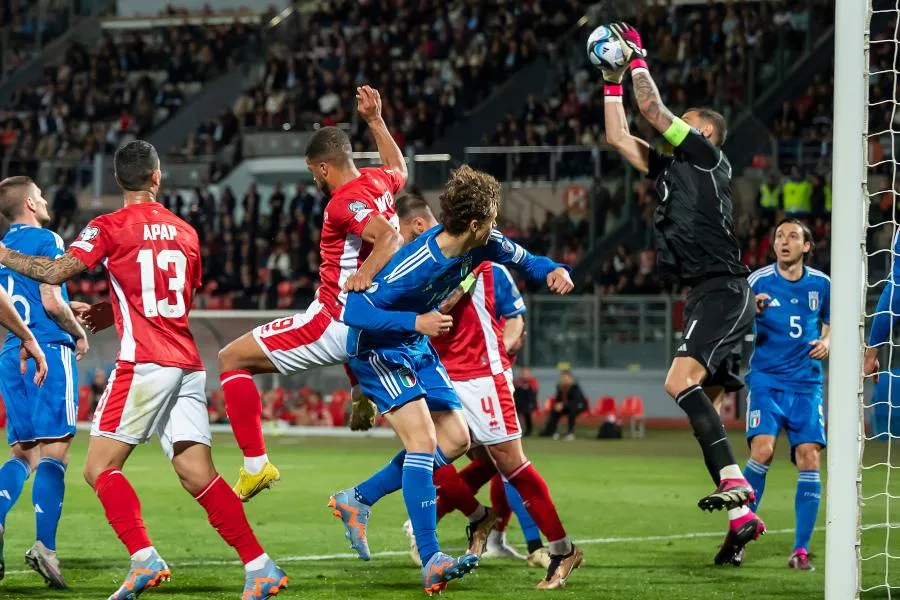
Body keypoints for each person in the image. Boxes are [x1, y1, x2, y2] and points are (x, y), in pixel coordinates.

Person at [0, 141, 287, 600]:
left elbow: (53, 273)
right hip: (187, 363)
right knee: (198, 474)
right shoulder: (187, 232)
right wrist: (108, 309)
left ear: (118, 181)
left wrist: (4, 255)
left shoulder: (109, 226)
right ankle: (261, 566)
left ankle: (143, 558)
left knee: (99, 469)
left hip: (145, 362)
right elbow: (162, 298)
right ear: (157, 177)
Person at [329, 165, 574, 593]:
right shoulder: (418, 262)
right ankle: (431, 558)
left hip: (416, 345)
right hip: (381, 348)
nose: (497, 227)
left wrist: (554, 268)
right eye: (493, 219)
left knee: (457, 440)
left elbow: (528, 259)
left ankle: (361, 498)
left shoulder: (483, 243)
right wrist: (416, 320)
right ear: (476, 223)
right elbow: (354, 313)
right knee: (424, 445)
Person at [602, 22, 764, 546]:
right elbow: (618, 136)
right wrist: (610, 79)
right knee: (704, 414)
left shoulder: (706, 157)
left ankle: (737, 488)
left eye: (684, 122)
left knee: (678, 383)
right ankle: (741, 518)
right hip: (706, 293)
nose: (671, 126)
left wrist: (638, 58)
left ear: (704, 133)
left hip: (722, 289)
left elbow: (651, 112)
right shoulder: (671, 168)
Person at [217, 85, 406, 501]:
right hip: (372, 321)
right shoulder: (379, 181)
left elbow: (388, 237)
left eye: (311, 171)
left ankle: (255, 467)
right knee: (424, 440)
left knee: (231, 359)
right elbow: (399, 168)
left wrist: (365, 272)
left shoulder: (344, 201)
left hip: (332, 320)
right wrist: (375, 120)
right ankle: (360, 388)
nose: (312, 178)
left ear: (322, 168)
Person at [392, 194, 551, 573]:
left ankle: (496, 533)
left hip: (482, 376)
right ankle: (436, 525)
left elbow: (514, 317)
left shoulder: (486, 263)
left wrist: (504, 350)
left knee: (495, 460)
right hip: (438, 374)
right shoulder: (422, 263)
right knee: (445, 452)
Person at [714, 219, 829, 570]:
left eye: (793, 236)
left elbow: (833, 320)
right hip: (766, 382)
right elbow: (732, 323)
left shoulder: (822, 284)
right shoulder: (758, 281)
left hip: (807, 385)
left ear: (806, 246)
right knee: (762, 451)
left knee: (809, 458)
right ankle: (738, 537)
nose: (784, 241)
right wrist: (752, 311)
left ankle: (800, 551)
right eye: (779, 236)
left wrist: (827, 341)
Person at [0, 176, 89, 588]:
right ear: (32, 205)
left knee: (23, 454)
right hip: (48, 352)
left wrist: (67, 307)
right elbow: (50, 302)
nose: (47, 199)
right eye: (41, 195)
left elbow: (28, 301)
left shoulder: (3, 250)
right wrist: (77, 329)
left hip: (10, 350)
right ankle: (45, 548)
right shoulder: (46, 238)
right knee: (55, 453)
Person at [539, 370, 588, 440]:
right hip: (566, 407)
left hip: (579, 406)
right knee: (555, 411)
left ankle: (570, 433)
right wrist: (557, 405)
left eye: (566, 378)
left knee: (572, 410)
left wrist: (563, 405)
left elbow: (575, 401)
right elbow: (558, 399)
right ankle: (552, 431)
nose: (564, 379)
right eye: (563, 378)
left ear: (570, 378)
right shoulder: (560, 387)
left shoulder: (575, 387)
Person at [514, 367, 539, 437]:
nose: (524, 375)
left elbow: (534, 393)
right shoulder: (517, 382)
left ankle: (529, 430)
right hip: (519, 403)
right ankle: (518, 431)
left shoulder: (533, 381)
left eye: (526, 373)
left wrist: (527, 387)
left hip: (529, 403)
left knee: (527, 412)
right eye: (523, 373)